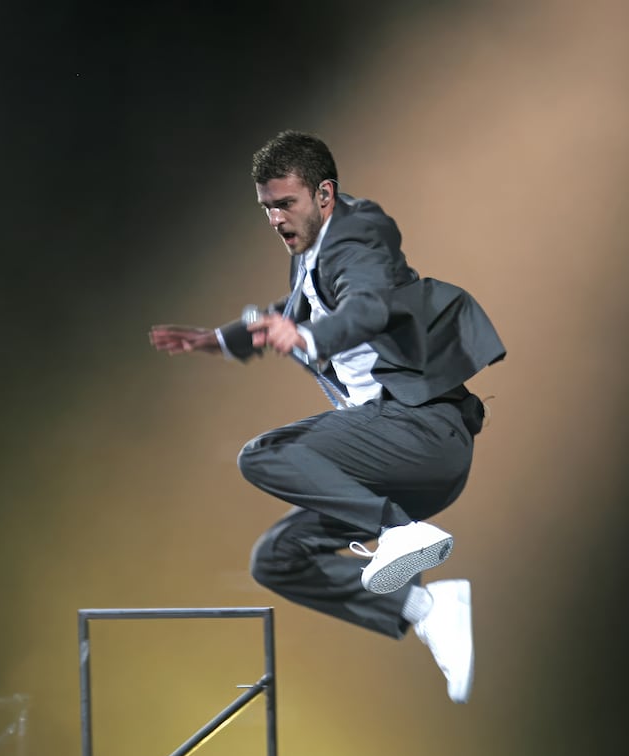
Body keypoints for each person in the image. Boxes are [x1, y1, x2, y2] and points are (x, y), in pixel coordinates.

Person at [150, 131, 506, 703]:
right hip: (390, 464)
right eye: (266, 208)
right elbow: (283, 315)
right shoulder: (307, 262)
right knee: (277, 559)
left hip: (422, 432)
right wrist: (221, 339)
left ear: (324, 195)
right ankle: (427, 606)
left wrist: (311, 336)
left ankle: (396, 532)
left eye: (285, 203)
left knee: (266, 454)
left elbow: (365, 306)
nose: (275, 219)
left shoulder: (358, 238)